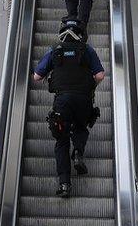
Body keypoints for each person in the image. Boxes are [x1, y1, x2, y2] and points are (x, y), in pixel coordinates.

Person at [32, 22, 105, 198]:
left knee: (62, 140)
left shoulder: (54, 51)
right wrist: (90, 86)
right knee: (80, 127)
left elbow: (36, 77)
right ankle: (78, 152)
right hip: (83, 99)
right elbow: (100, 75)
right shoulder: (87, 50)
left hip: (62, 101)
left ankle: (64, 184)